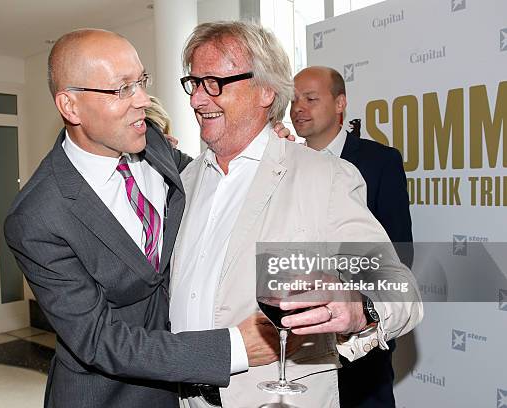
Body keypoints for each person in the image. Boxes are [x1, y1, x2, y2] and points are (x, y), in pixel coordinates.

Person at [4, 28, 283, 408]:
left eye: (141, 82)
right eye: (122, 89)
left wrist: (261, 146)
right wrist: (235, 347)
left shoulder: (148, 140)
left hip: (184, 395)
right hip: (105, 398)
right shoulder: (37, 216)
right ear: (70, 106)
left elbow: (207, 178)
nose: (143, 100)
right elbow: (99, 340)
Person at [170, 21, 423, 407]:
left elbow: (399, 287)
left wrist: (362, 310)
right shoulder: (185, 181)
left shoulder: (322, 176)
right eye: (194, 83)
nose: (197, 101)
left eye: (214, 83)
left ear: (265, 90)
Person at [290, 66, 413, 407]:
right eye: (294, 99)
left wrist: (359, 314)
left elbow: (399, 253)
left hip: (359, 336)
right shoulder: (283, 164)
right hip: (298, 338)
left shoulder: (379, 161)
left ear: (340, 102)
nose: (298, 108)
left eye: (311, 99)